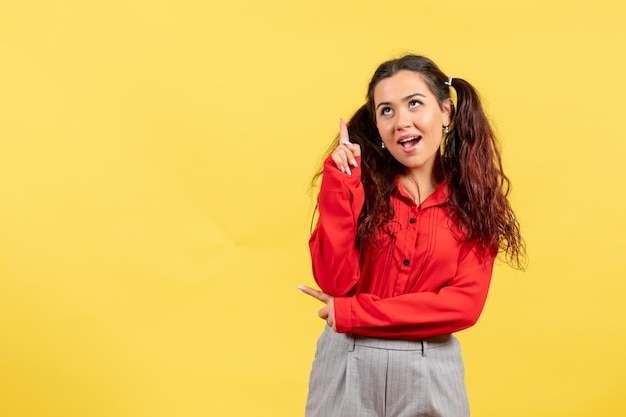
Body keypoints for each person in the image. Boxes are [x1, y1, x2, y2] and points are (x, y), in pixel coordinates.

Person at [298, 54, 525, 417]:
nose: (401, 121)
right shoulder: (359, 185)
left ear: (447, 112)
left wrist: (355, 312)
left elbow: (462, 306)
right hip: (348, 363)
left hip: (431, 367)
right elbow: (334, 281)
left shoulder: (474, 202)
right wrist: (341, 183)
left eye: (414, 104)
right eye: (386, 111)